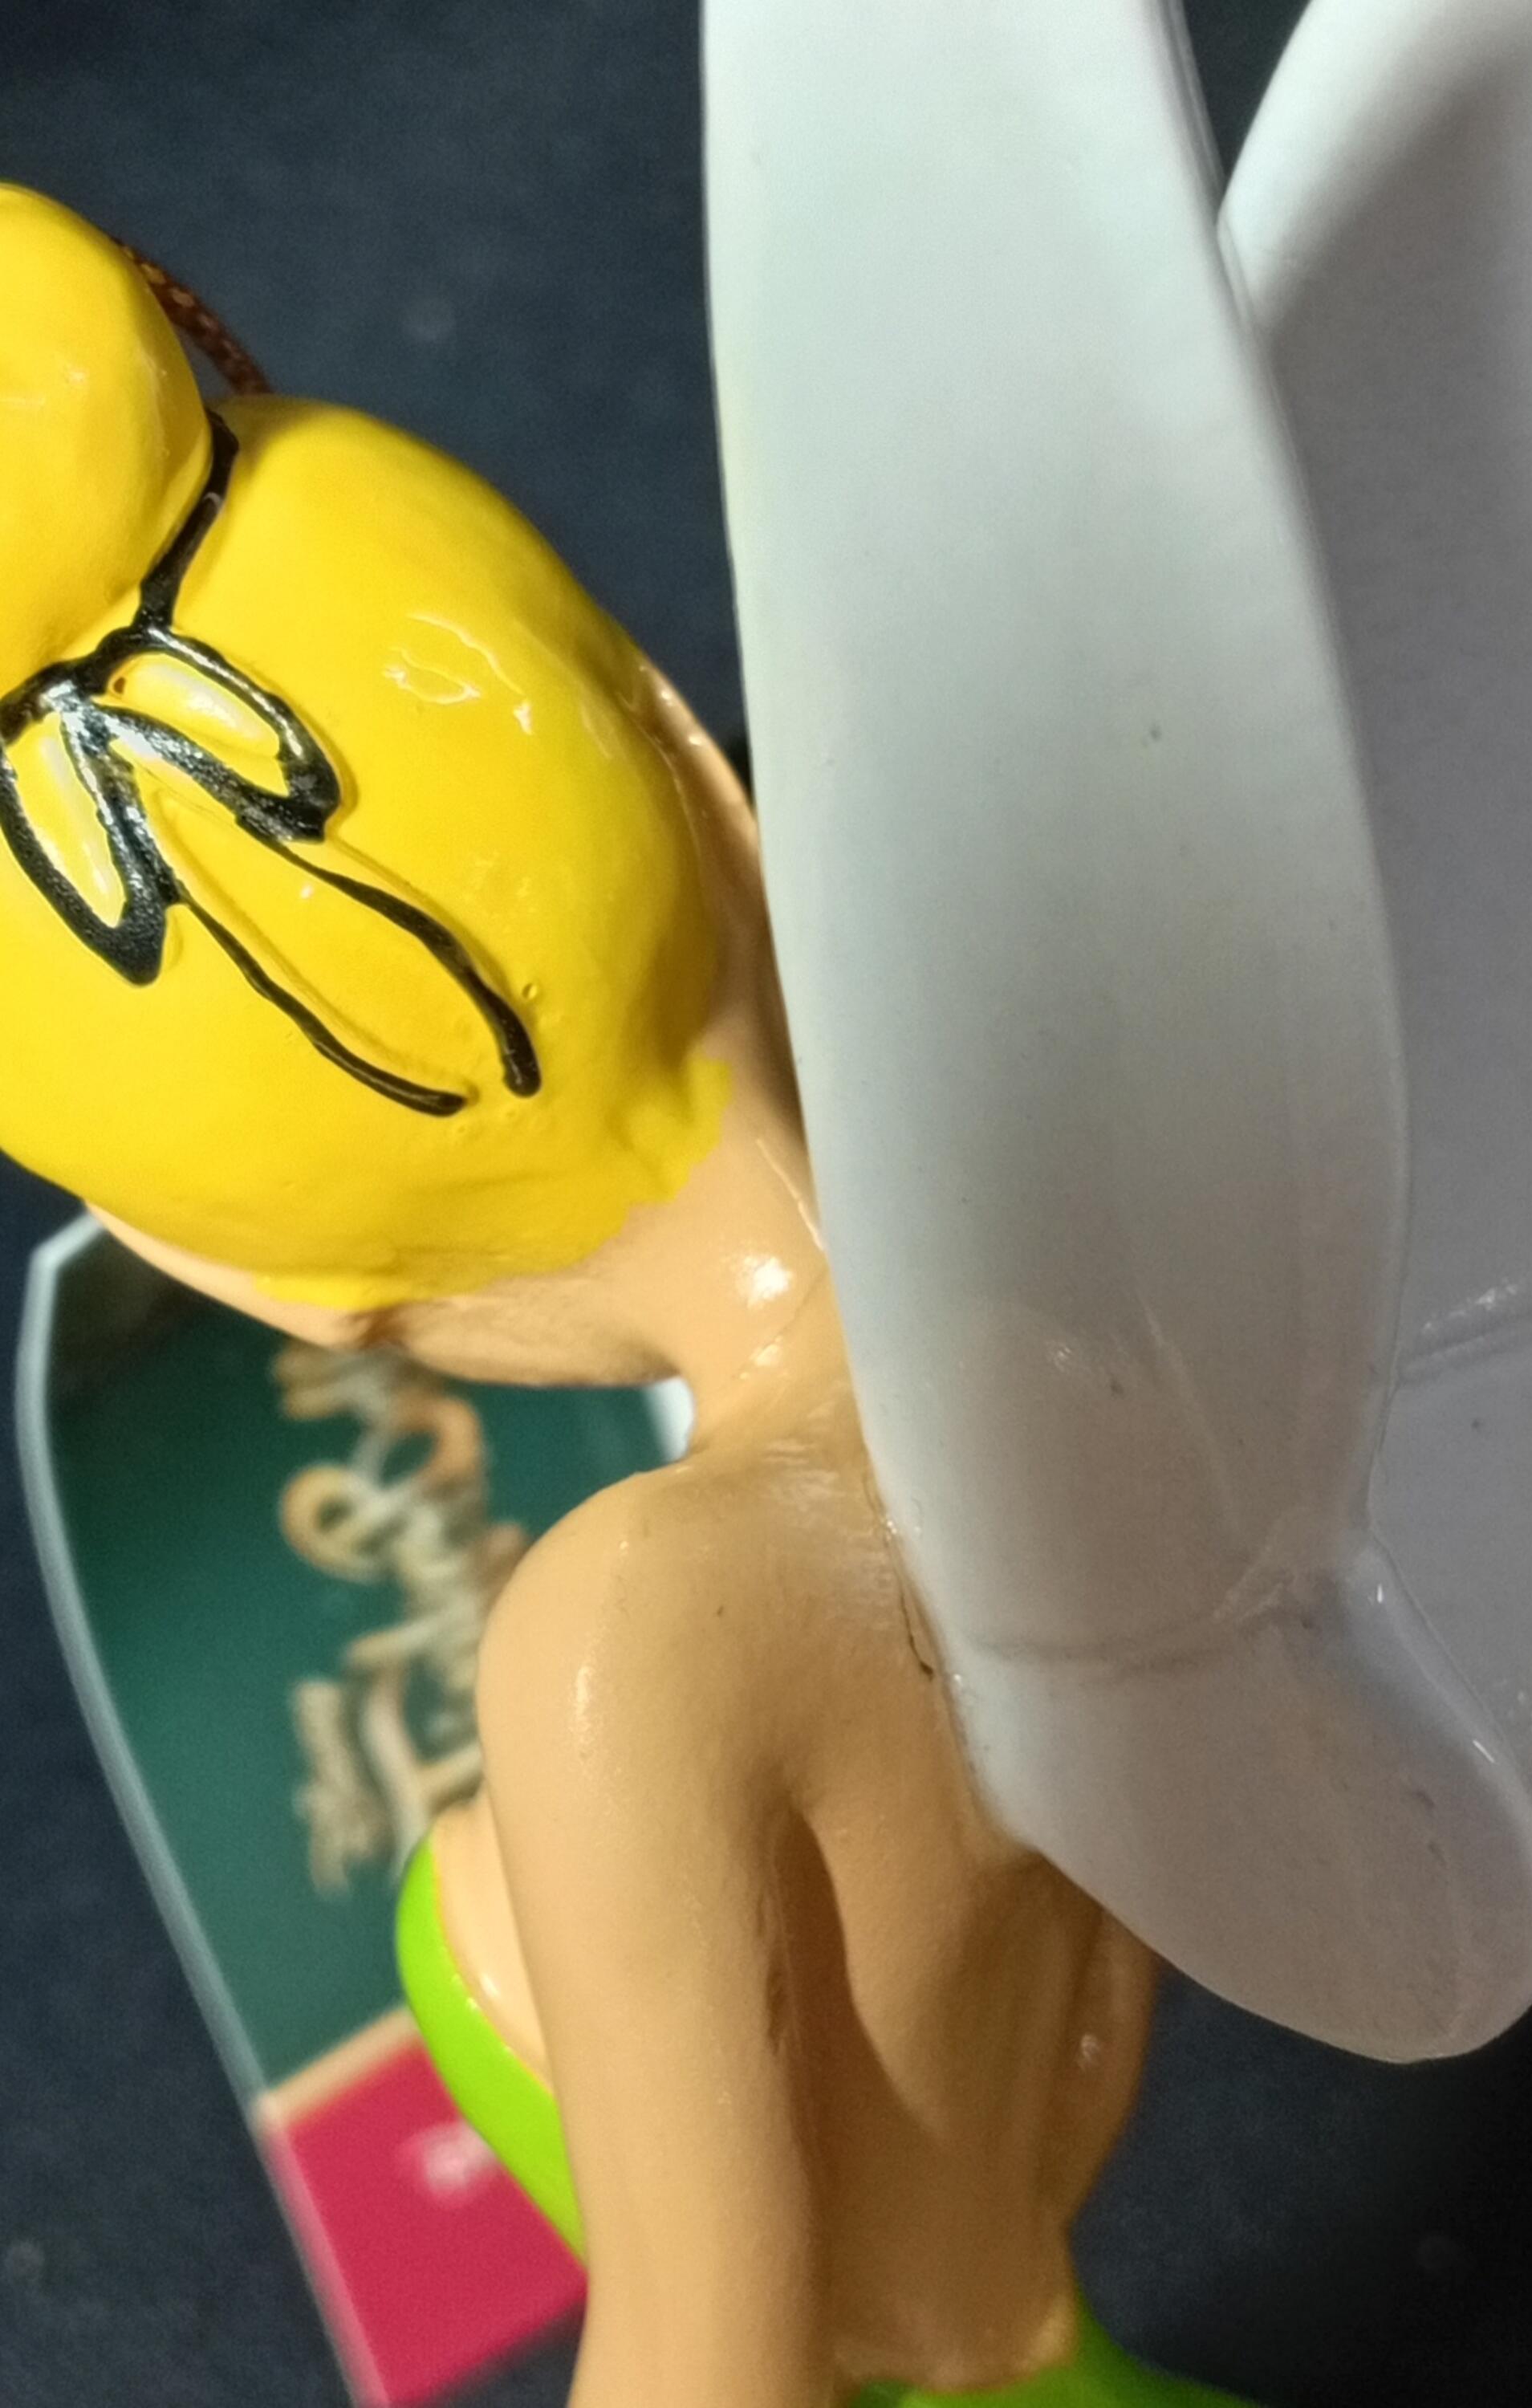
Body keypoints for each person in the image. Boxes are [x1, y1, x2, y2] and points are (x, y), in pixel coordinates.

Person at [0, 182, 1237, 2408]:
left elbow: (708, 2367)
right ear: (690, 757)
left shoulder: (635, 1649)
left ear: (257, 1272)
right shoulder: (1118, 1293)